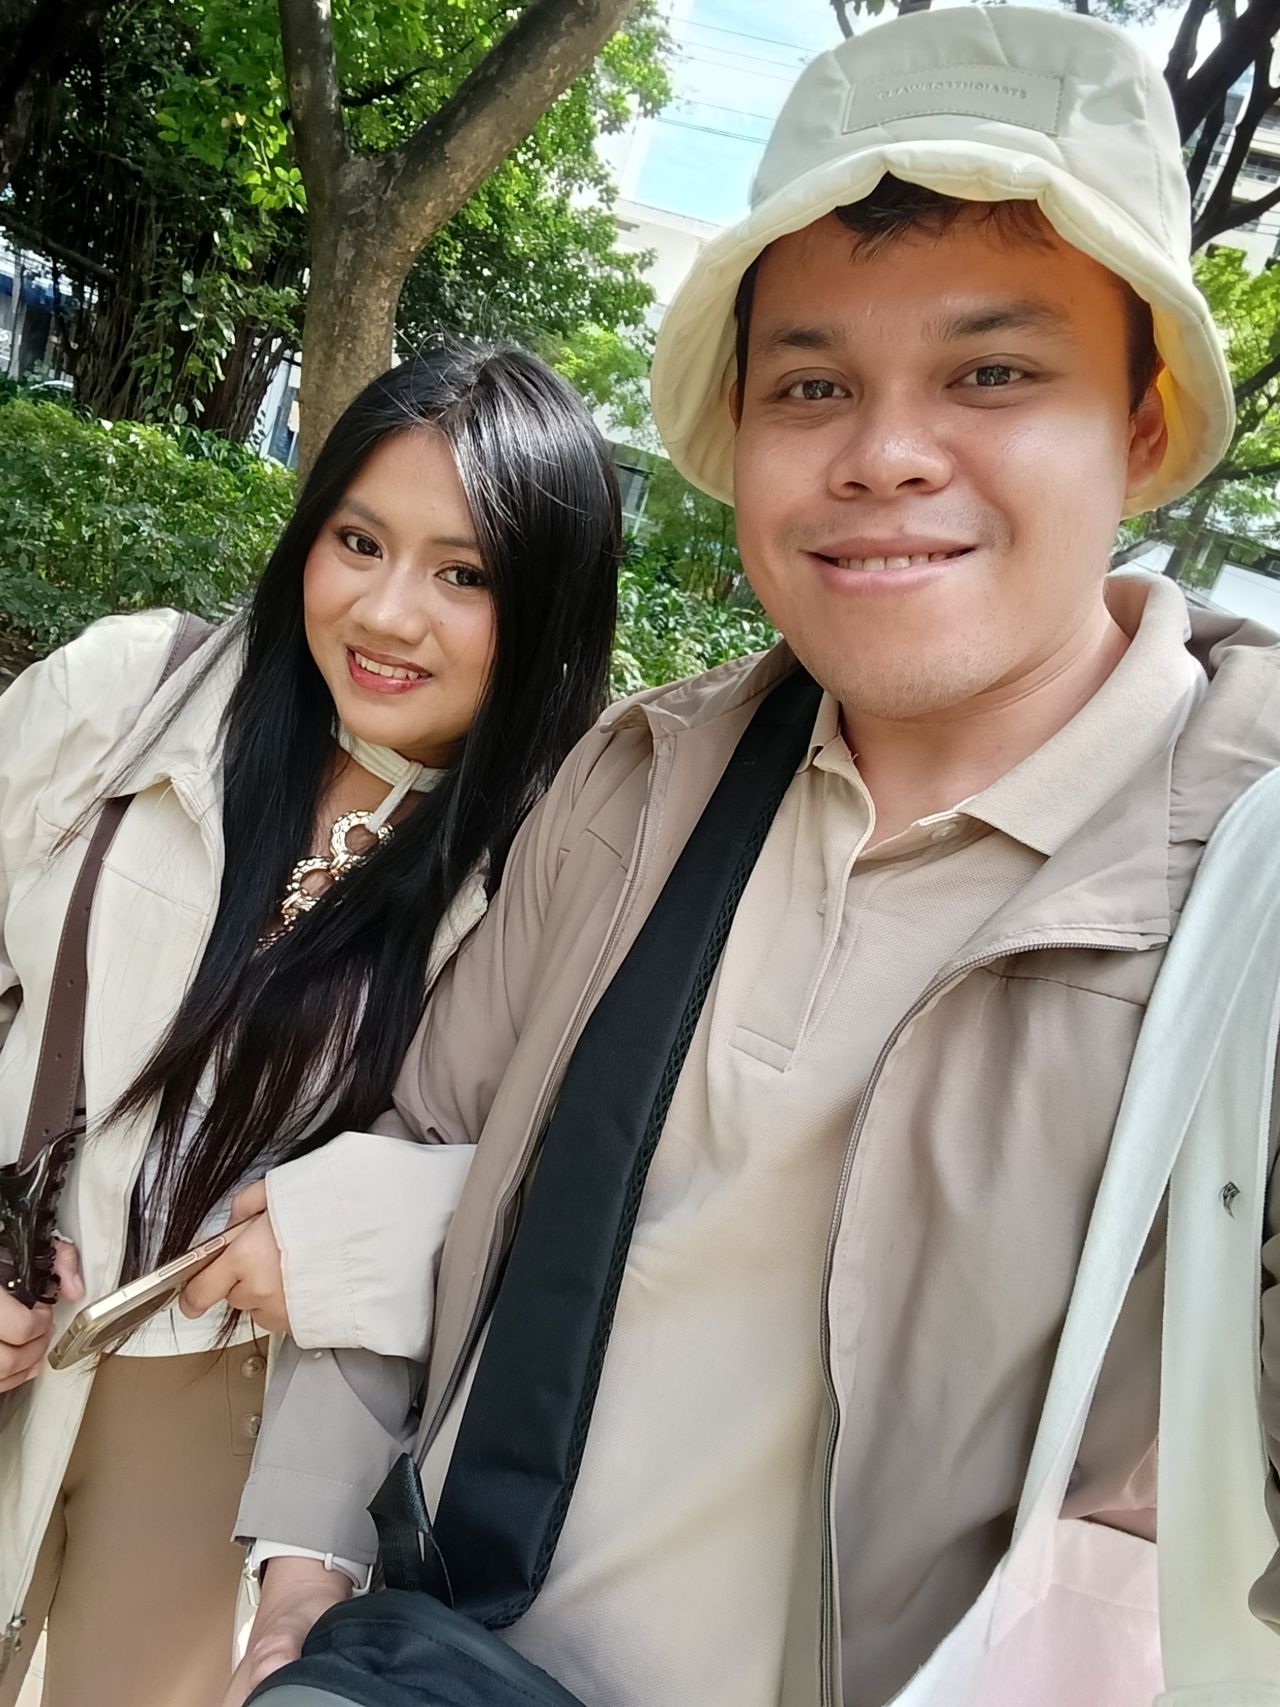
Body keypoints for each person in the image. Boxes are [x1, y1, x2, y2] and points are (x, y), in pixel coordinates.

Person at [231, 9, 1280, 1707]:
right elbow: (418, 1146)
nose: (885, 452)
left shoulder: (1253, 890)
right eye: (813, 385)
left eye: (994, 372)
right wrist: (306, 1578)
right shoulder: (636, 781)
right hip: (454, 1663)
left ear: (1144, 424)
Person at [0, 340, 621, 1707]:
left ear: (552, 604)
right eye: (359, 541)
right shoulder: (129, 695)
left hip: (223, 1403)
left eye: (465, 575)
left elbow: (539, 1182)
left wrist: (346, 1237)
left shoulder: (545, 874)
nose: (388, 614)